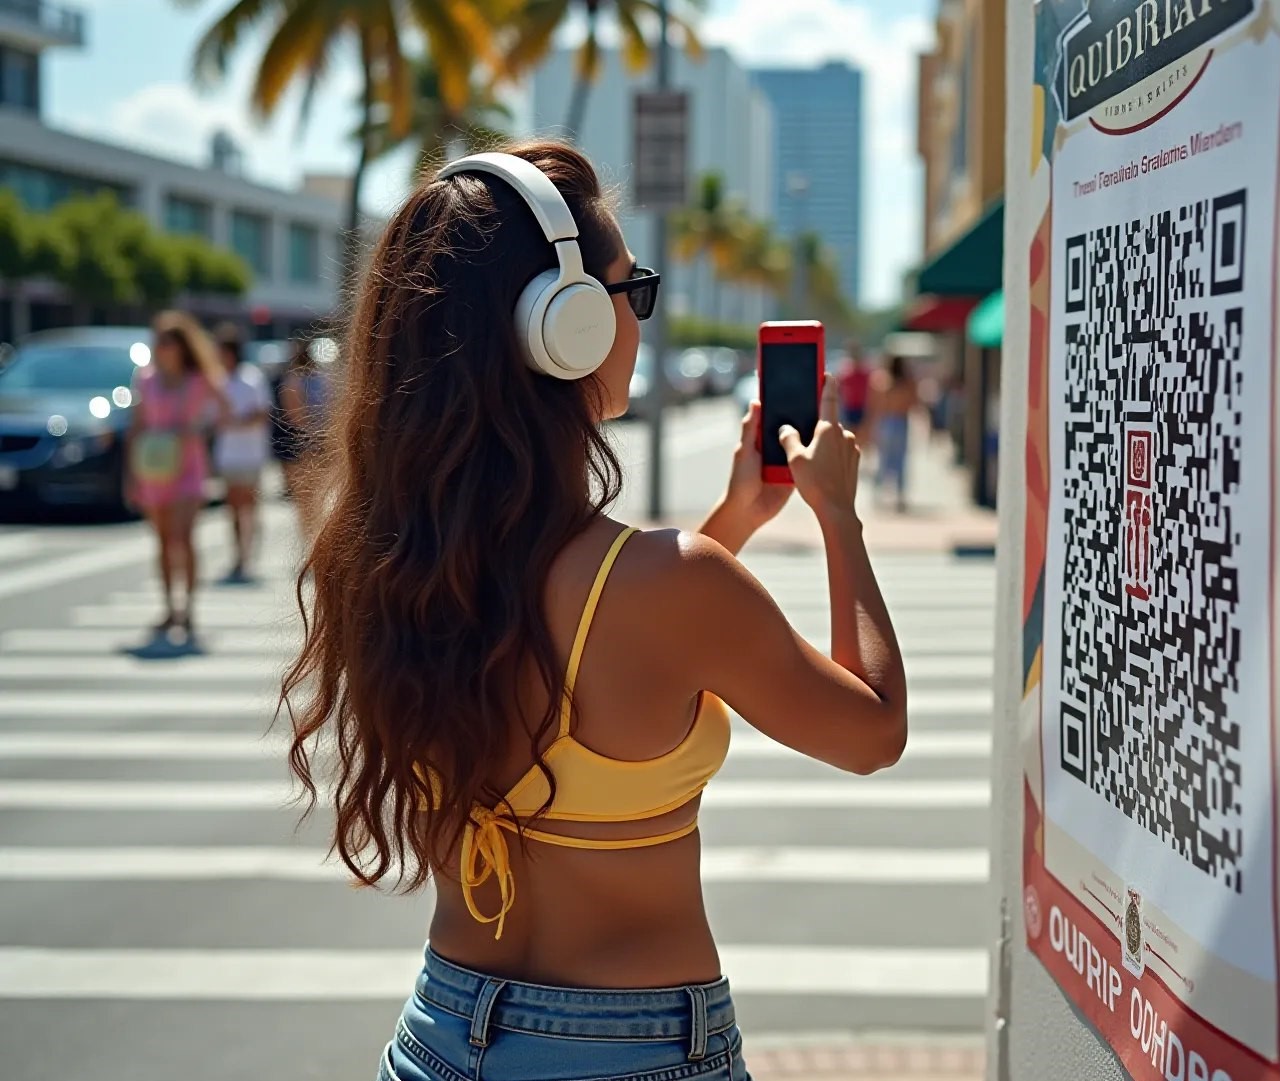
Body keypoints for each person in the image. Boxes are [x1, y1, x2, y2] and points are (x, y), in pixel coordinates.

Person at [279, 142, 908, 1081]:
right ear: (565, 326)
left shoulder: (384, 557)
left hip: (439, 1035)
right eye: (632, 291)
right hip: (633, 1047)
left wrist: (734, 517)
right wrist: (838, 518)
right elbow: (872, 730)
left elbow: (597, 634)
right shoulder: (671, 583)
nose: (638, 319)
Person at [124, 311, 226, 637]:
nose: (164, 347)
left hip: (189, 467)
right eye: (160, 341)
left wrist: (197, 428)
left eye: (170, 341)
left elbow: (224, 410)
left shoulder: (198, 380)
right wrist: (131, 474)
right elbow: (137, 425)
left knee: (184, 537)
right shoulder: (146, 378)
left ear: (182, 346)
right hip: (153, 468)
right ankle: (169, 608)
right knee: (164, 541)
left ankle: (189, 608)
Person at [211, 323, 271, 583]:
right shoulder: (217, 381)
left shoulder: (252, 377)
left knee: (248, 506)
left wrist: (235, 422)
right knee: (233, 508)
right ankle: (239, 555)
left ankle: (248, 554)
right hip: (227, 455)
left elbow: (262, 414)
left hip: (250, 454)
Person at [276, 339, 328, 540]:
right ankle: (317, 537)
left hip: (302, 442)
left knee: (304, 497)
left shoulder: (293, 380)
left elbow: (293, 415)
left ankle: (310, 538)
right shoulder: (324, 379)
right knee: (318, 495)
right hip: (322, 441)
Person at [869, 354, 921, 512]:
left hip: (886, 421)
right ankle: (899, 496)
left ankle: (879, 494)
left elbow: (875, 404)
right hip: (901, 421)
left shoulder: (882, 380)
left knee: (884, 459)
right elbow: (914, 402)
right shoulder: (907, 382)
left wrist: (872, 426)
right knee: (900, 460)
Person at [838, 339, 872, 439]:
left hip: (862, 407)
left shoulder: (865, 370)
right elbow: (840, 389)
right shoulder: (845, 369)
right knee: (850, 435)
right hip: (849, 408)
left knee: (863, 436)